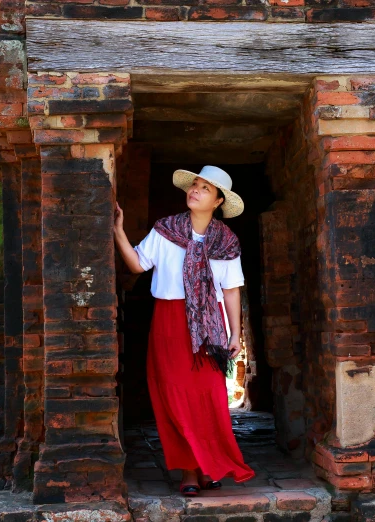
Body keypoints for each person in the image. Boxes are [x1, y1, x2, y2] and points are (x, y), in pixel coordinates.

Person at [114, 165, 255, 496]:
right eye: (194, 185)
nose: (195, 190)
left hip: (210, 329)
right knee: (175, 398)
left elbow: (232, 289)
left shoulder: (227, 241)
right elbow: (137, 264)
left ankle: (210, 465)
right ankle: (190, 471)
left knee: (210, 399)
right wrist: (118, 231)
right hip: (169, 324)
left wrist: (236, 334)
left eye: (205, 188)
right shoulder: (166, 230)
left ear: (219, 201)